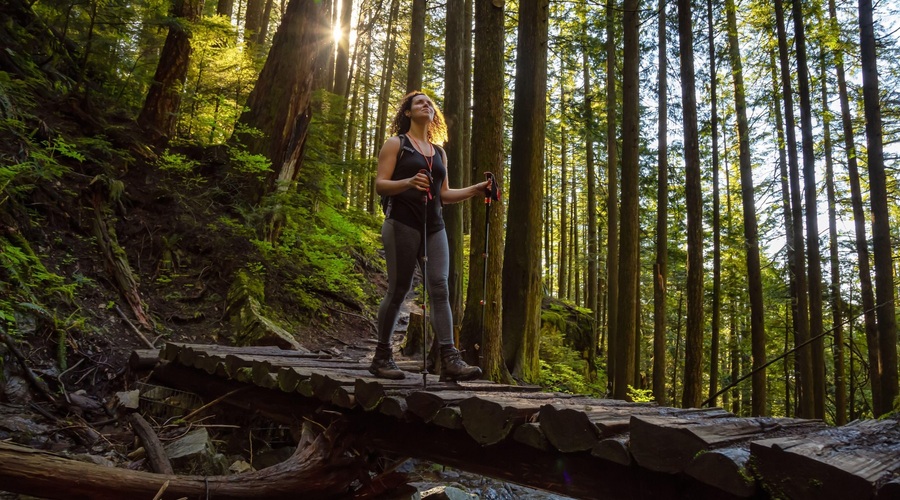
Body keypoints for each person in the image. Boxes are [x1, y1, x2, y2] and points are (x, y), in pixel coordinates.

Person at [371, 91, 491, 381]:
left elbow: (445, 195)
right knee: (398, 289)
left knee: (440, 288)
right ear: (409, 113)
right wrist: (409, 181)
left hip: (435, 226)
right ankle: (382, 356)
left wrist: (476, 189)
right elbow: (381, 185)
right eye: (419, 103)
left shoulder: (439, 153)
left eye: (430, 103)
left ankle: (450, 358)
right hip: (401, 223)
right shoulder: (396, 144)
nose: (427, 105)